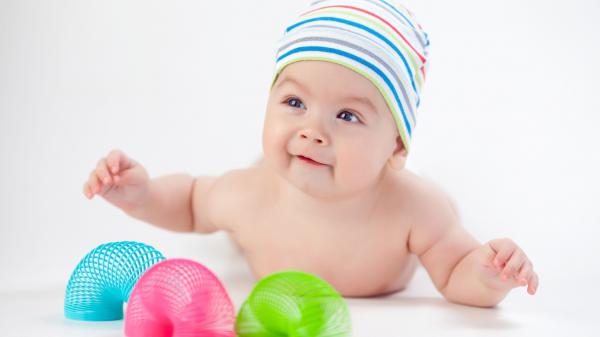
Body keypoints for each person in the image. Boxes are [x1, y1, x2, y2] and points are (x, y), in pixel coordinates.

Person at [82, 0, 538, 307]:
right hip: (265, 208)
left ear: (396, 146)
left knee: (450, 206)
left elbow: (454, 273)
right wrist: (140, 195)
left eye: (347, 116)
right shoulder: (248, 193)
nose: (312, 131)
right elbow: (189, 202)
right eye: (295, 103)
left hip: (407, 220)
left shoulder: (416, 210)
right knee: (228, 194)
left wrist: (488, 275)